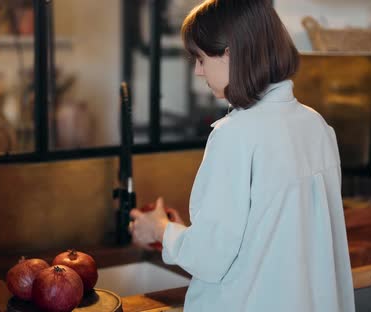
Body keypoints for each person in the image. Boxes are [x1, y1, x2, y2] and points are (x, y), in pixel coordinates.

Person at [128, 0, 355, 311]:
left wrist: (160, 229)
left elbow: (209, 257)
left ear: (230, 53)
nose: (197, 71)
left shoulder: (234, 134)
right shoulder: (316, 126)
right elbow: (265, 236)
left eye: (200, 58)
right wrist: (188, 234)